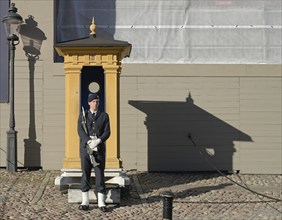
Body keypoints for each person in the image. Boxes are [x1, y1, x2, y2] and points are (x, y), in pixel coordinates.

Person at [77, 93, 110, 212]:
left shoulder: (104, 116)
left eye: (97, 101)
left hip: (99, 149)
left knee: (99, 174)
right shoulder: (83, 115)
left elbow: (107, 132)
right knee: (85, 174)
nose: (95, 104)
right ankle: (85, 201)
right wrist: (88, 141)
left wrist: (98, 141)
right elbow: (80, 130)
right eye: (93, 102)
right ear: (89, 103)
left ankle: (101, 202)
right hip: (86, 149)